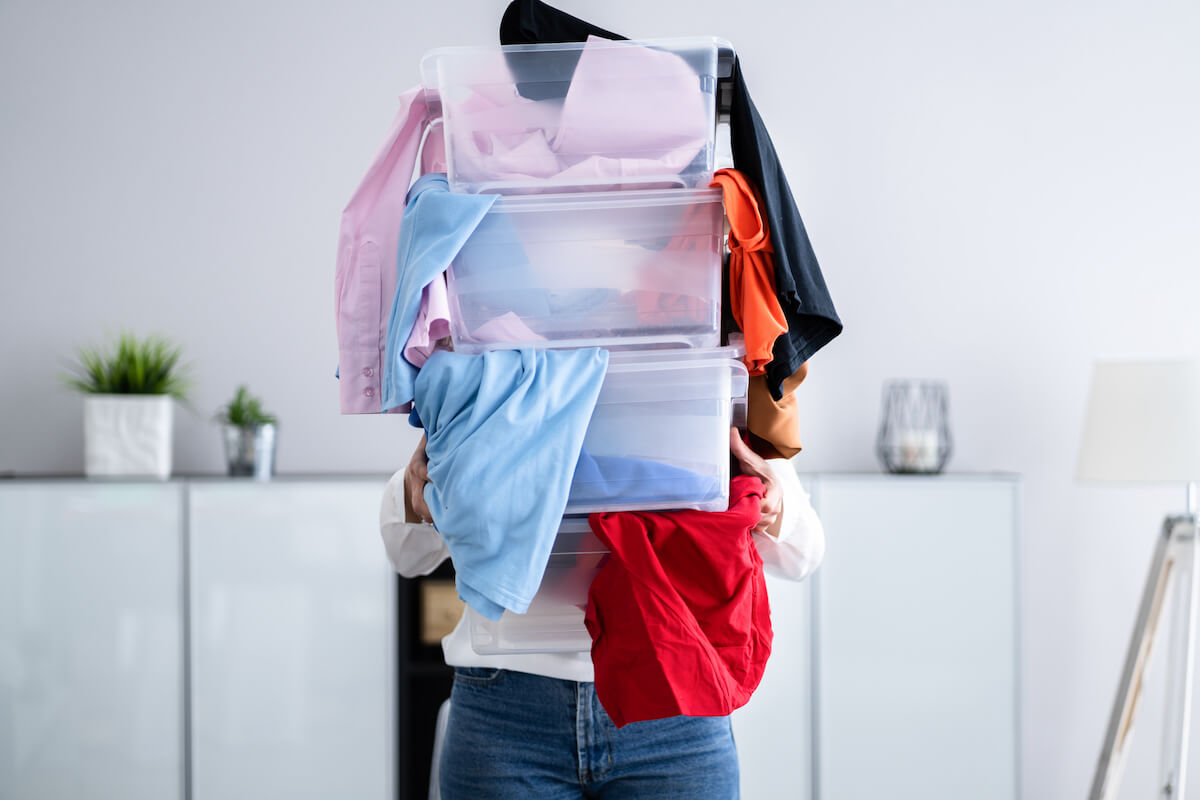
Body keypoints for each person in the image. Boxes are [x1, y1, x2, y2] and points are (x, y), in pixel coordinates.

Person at [380, 429, 825, 799]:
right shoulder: (494, 368)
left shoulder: (697, 382)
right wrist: (414, 488)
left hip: (674, 705)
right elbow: (407, 556)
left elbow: (802, 555)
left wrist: (773, 499)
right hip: (507, 713)